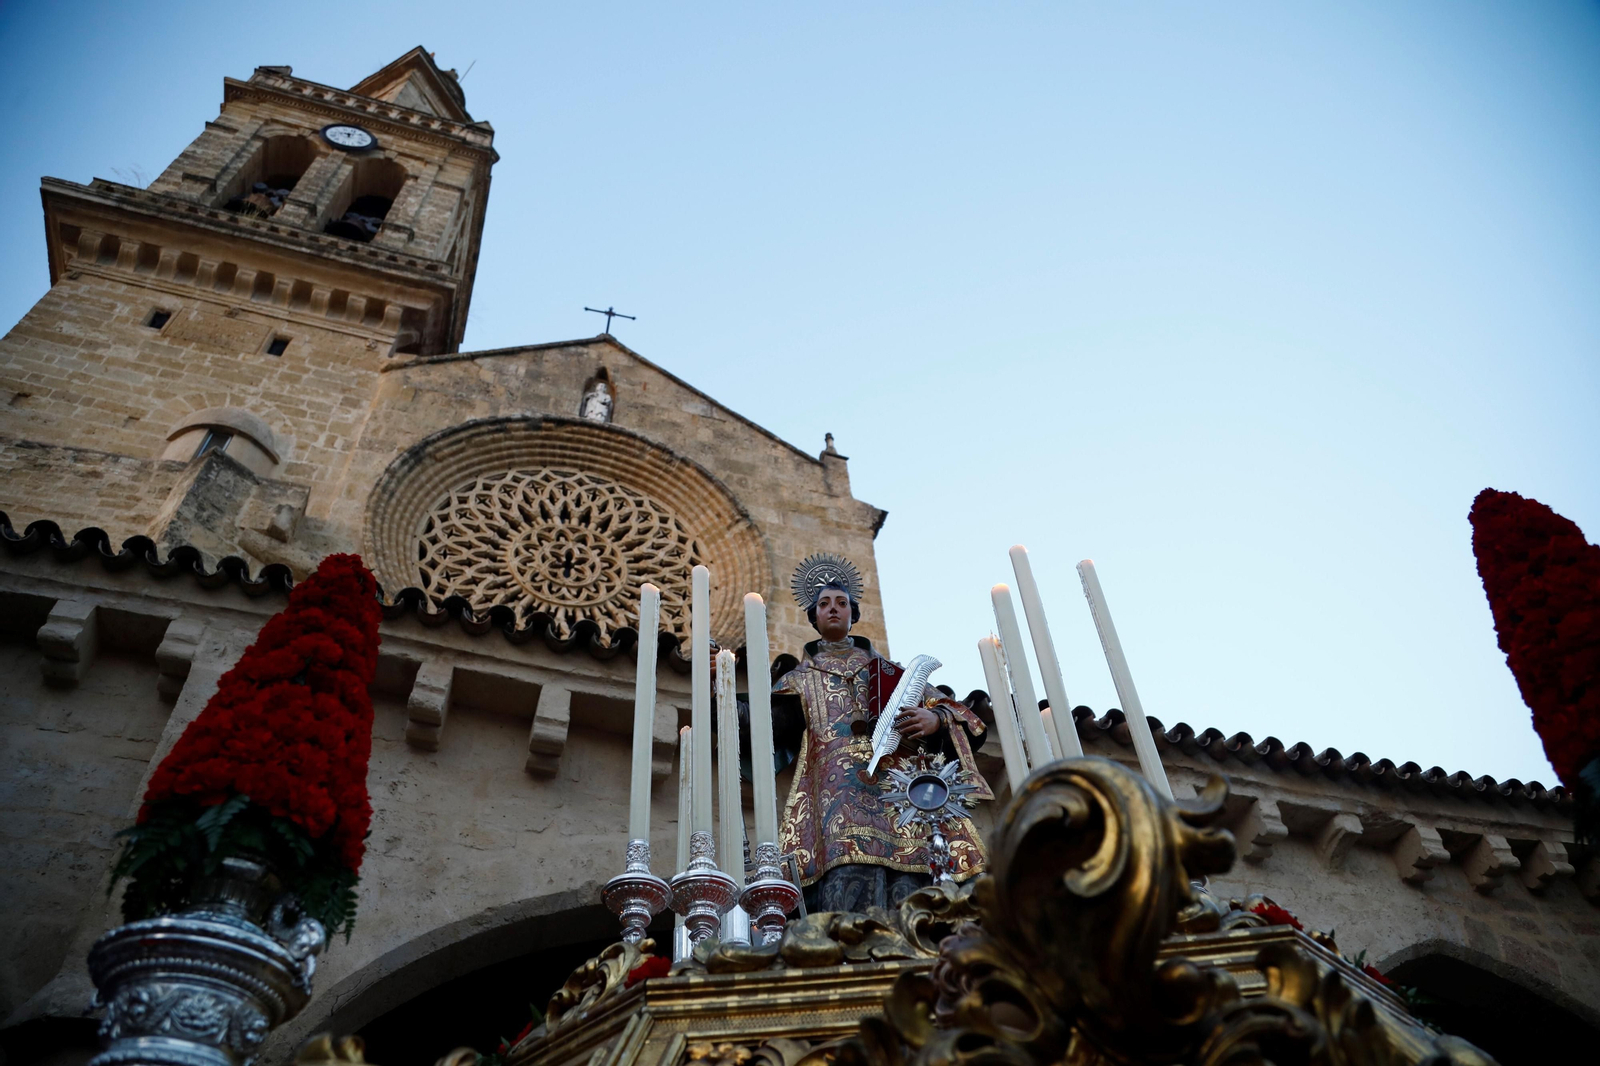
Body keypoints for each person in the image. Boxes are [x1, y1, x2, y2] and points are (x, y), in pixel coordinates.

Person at [765, 553, 992, 913]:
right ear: (814, 618)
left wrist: (935, 721)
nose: (834, 609)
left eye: (842, 603)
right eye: (824, 604)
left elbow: (960, 715)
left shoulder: (894, 674)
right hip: (836, 797)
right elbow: (766, 726)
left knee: (914, 877)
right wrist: (722, 680)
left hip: (900, 789)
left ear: (854, 614)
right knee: (847, 878)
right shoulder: (797, 680)